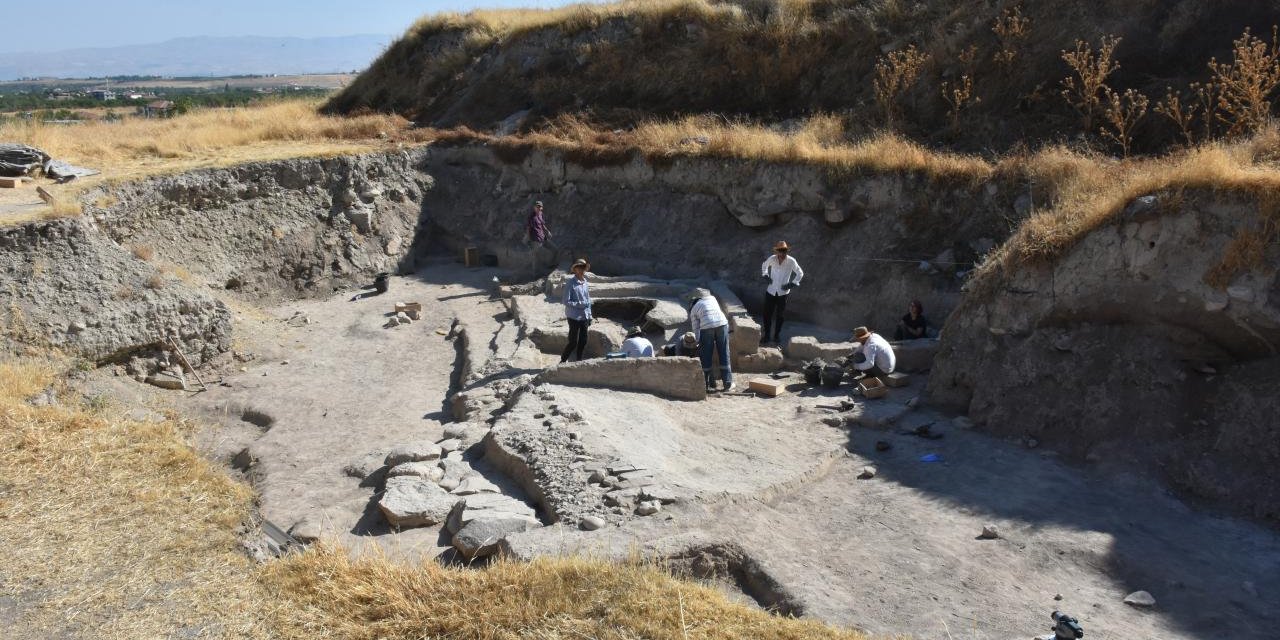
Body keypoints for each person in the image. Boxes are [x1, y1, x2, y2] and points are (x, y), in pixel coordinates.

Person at [689, 288, 733, 392]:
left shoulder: (694, 309)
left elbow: (696, 328)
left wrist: (699, 341)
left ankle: (706, 385)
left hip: (706, 327)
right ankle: (727, 383)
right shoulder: (712, 298)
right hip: (722, 324)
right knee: (724, 352)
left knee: (706, 355)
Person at [760, 240, 804, 345]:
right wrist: (765, 275)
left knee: (780, 316)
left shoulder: (791, 261)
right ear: (777, 251)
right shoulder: (772, 259)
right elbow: (764, 266)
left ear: (786, 251)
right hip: (771, 291)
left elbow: (800, 273)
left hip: (783, 293)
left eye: (784, 251)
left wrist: (792, 284)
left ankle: (776, 336)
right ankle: (767, 335)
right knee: (767, 314)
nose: (782, 253)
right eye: (780, 251)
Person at [561, 258, 592, 363]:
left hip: (585, 316)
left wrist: (590, 315)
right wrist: (579, 305)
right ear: (575, 269)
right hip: (574, 316)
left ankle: (579, 361)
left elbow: (588, 299)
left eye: (583, 268)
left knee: (583, 340)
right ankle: (563, 360)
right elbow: (565, 301)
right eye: (579, 268)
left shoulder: (585, 282)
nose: (581, 270)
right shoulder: (571, 283)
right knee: (573, 342)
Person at [524, 200, 559, 276]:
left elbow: (542, 224)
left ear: (542, 208)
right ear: (534, 207)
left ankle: (550, 264)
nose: (539, 208)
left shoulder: (540, 214)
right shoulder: (531, 217)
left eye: (540, 207)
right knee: (535, 257)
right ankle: (535, 274)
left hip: (543, 237)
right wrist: (529, 240)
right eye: (537, 207)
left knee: (555, 249)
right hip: (535, 240)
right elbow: (528, 229)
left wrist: (547, 231)